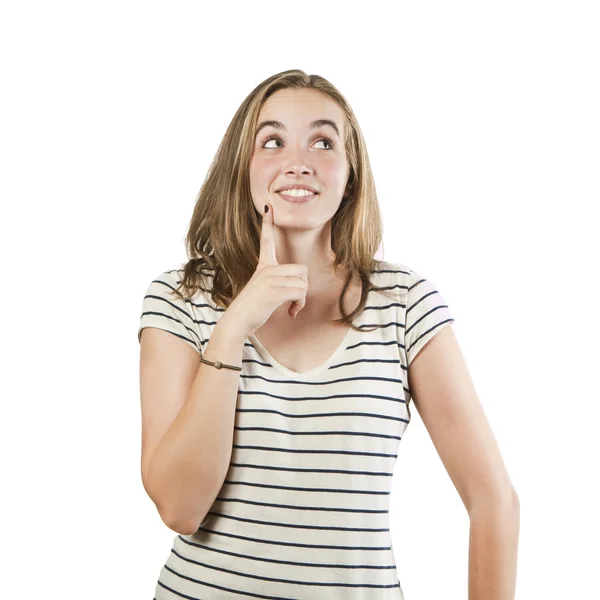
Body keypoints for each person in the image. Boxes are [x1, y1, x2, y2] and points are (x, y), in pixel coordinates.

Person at [138, 69, 519, 599]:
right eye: (272, 141)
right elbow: (180, 508)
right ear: (241, 169)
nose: (299, 161)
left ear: (350, 175)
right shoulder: (180, 299)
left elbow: (492, 499)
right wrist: (232, 330)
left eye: (323, 141)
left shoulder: (404, 305)